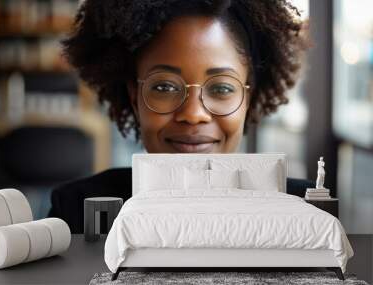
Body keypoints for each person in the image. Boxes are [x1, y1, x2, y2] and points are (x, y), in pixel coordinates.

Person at [48, 0, 312, 233]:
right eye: (164, 87)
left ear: (248, 98)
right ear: (134, 96)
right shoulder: (77, 212)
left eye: (221, 88)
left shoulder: (305, 209)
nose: (193, 114)